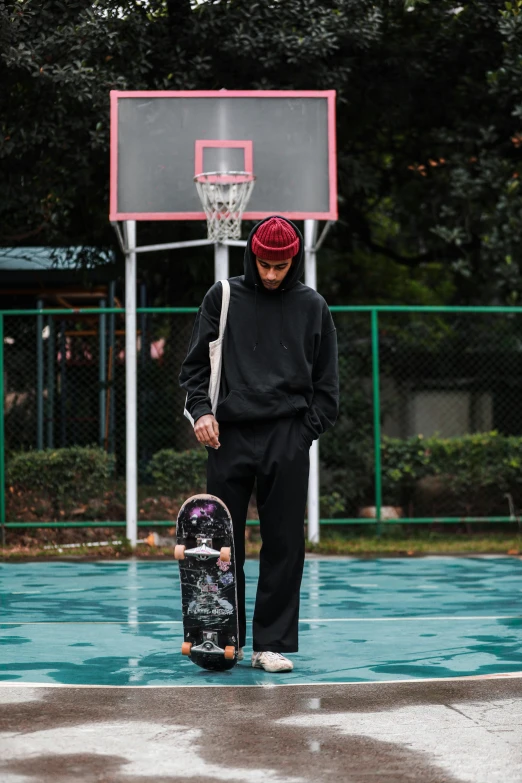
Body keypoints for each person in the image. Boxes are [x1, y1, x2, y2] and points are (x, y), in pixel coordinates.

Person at [179, 216, 339, 672]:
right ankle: (222, 640)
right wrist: (202, 412)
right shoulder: (223, 296)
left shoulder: (314, 307)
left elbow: (327, 388)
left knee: (285, 543)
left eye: (281, 265)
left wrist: (302, 434)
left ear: (295, 259)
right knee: (222, 545)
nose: (271, 274)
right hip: (228, 436)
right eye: (265, 265)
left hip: (286, 437)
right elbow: (193, 369)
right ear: (252, 256)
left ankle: (270, 644)